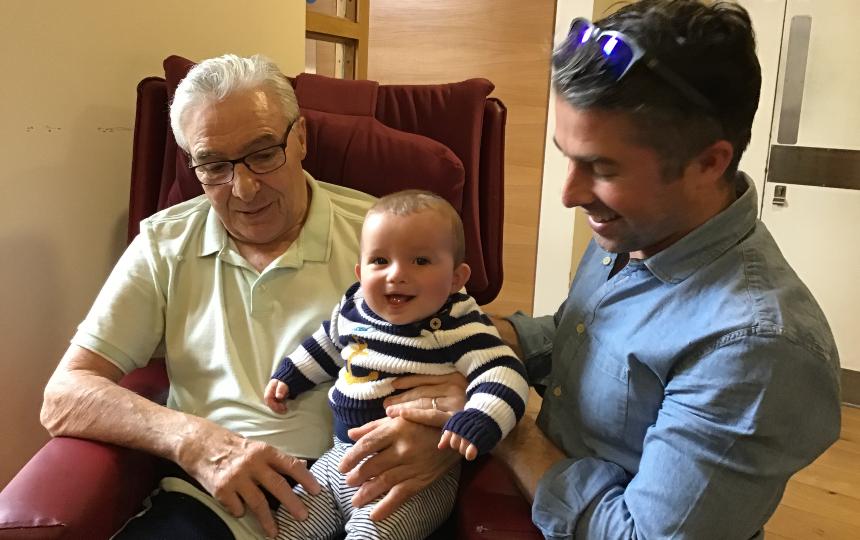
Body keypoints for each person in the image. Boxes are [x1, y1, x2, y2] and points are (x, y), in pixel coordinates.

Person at [39, 54, 465, 540]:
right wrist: (192, 440)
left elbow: (475, 354)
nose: (243, 189)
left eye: (263, 154)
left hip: (364, 491)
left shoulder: (387, 240)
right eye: (214, 166)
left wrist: (446, 427)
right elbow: (64, 396)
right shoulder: (164, 244)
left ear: (300, 138)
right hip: (214, 495)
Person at [481, 1, 840, 538]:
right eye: (567, 156)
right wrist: (466, 336)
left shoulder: (755, 348)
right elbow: (580, 336)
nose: (569, 194)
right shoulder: (635, 231)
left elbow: (640, 534)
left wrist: (509, 433)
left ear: (709, 162)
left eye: (602, 168)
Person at [264, 190, 529, 539]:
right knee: (283, 529)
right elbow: (328, 342)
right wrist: (292, 375)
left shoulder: (457, 326)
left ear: (456, 278)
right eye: (379, 260)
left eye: (420, 261)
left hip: (414, 479)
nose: (397, 274)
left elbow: (504, 372)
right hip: (338, 461)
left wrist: (479, 417)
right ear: (360, 272)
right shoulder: (355, 308)